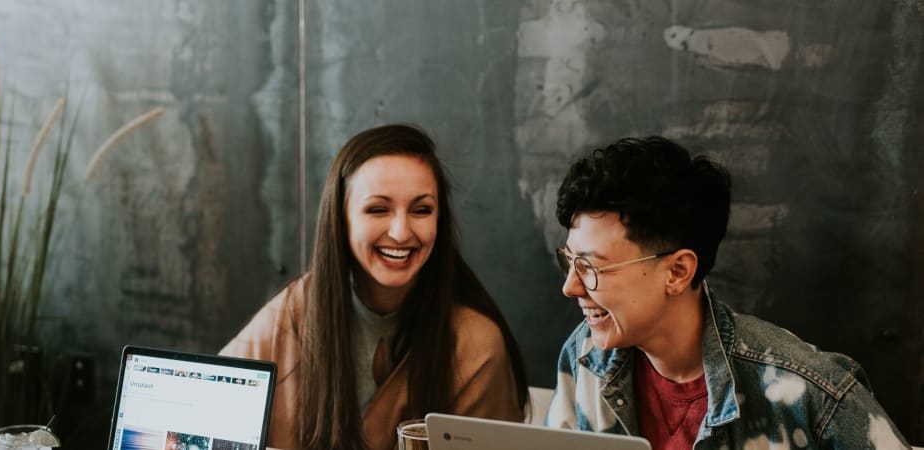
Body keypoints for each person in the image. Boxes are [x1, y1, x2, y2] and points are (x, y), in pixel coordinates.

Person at [544, 137, 909, 449]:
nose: (570, 286)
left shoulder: (809, 393)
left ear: (677, 271)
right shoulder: (584, 355)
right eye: (569, 261)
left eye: (591, 268)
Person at [221, 124, 527, 450]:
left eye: (421, 210)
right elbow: (210, 409)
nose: (400, 232)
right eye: (378, 209)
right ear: (341, 218)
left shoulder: (475, 345)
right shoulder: (293, 311)